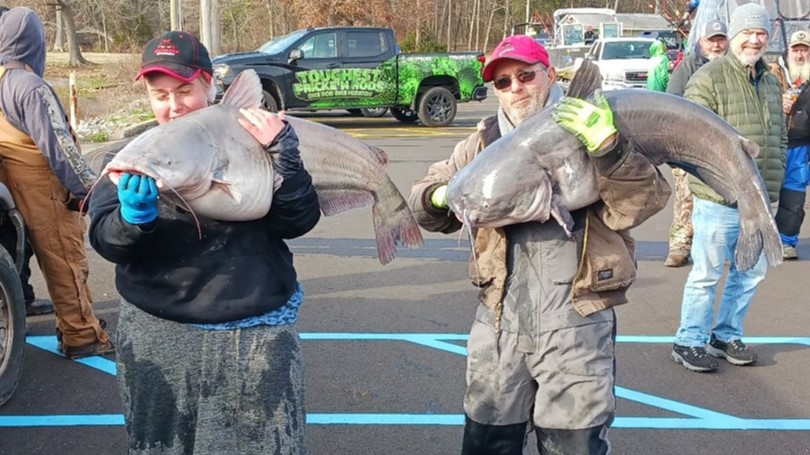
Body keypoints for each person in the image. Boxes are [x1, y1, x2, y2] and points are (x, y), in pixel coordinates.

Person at [408, 35, 670, 454]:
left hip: (577, 320)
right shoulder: (480, 143)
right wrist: (440, 195)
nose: (516, 89)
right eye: (503, 82)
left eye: (526, 76)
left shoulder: (594, 126)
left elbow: (646, 199)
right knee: (487, 442)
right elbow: (423, 199)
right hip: (498, 321)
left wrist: (609, 150)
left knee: (574, 445)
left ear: (549, 75)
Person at [87, 30, 320, 454]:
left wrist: (285, 155)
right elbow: (107, 242)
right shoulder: (131, 157)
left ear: (209, 85)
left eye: (185, 90)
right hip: (161, 336)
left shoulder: (258, 137)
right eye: (160, 95)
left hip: (258, 336)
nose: (173, 106)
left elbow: (298, 220)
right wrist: (132, 220)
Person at [671, 3, 786, 373]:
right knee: (707, 273)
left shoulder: (770, 80)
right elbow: (689, 135)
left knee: (749, 272)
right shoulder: (708, 78)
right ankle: (689, 340)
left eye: (761, 33)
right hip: (719, 198)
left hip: (760, 199)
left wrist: (777, 172)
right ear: (734, 37)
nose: (754, 39)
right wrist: (721, 181)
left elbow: (779, 135)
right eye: (747, 33)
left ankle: (726, 334)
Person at [0, 7, 111, 358]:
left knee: (50, 261)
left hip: (16, 187)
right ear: (34, 43)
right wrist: (94, 194)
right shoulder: (30, 87)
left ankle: (79, 324)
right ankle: (83, 337)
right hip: (46, 187)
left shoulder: (2, 78)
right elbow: (61, 149)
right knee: (66, 262)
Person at [663, 19, 729, 268]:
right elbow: (670, 107)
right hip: (688, 147)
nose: (716, 44)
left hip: (722, 147)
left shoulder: (733, 68)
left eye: (721, 39)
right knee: (685, 197)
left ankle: (720, 248)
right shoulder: (687, 68)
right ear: (701, 41)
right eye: (712, 39)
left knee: (721, 196)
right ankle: (680, 246)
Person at [774, 30, 810, 260]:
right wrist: (779, 103)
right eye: (796, 49)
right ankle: (753, 239)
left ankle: (786, 240)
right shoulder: (772, 73)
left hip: (801, 146)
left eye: (805, 50)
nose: (800, 54)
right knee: (759, 193)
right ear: (788, 52)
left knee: (794, 197)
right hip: (771, 143)